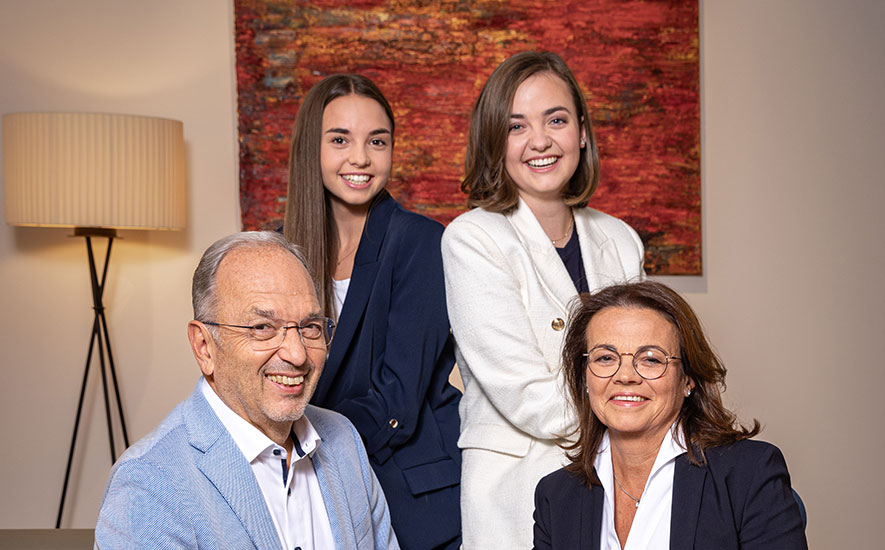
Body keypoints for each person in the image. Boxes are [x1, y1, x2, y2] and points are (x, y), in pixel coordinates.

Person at [441, 51, 645, 547]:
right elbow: (525, 392)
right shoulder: (472, 238)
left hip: (626, 479)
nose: (540, 141)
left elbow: (652, 362)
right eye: (517, 126)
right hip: (518, 489)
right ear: (495, 141)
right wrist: (635, 418)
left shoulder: (621, 239)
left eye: (556, 120)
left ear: (581, 132)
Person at [95, 232, 399, 550]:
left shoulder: (343, 439)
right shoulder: (148, 484)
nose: (297, 355)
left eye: (309, 327)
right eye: (262, 328)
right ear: (204, 347)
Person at [284, 74, 462, 549]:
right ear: (310, 148)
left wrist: (291, 439)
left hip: (413, 499)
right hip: (307, 485)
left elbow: (396, 399)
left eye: (377, 141)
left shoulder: (422, 242)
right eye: (340, 139)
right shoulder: (279, 251)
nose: (361, 157)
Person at [533, 281, 807, 549]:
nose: (625, 376)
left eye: (651, 359)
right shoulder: (556, 496)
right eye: (606, 358)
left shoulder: (749, 474)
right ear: (584, 377)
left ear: (688, 379)